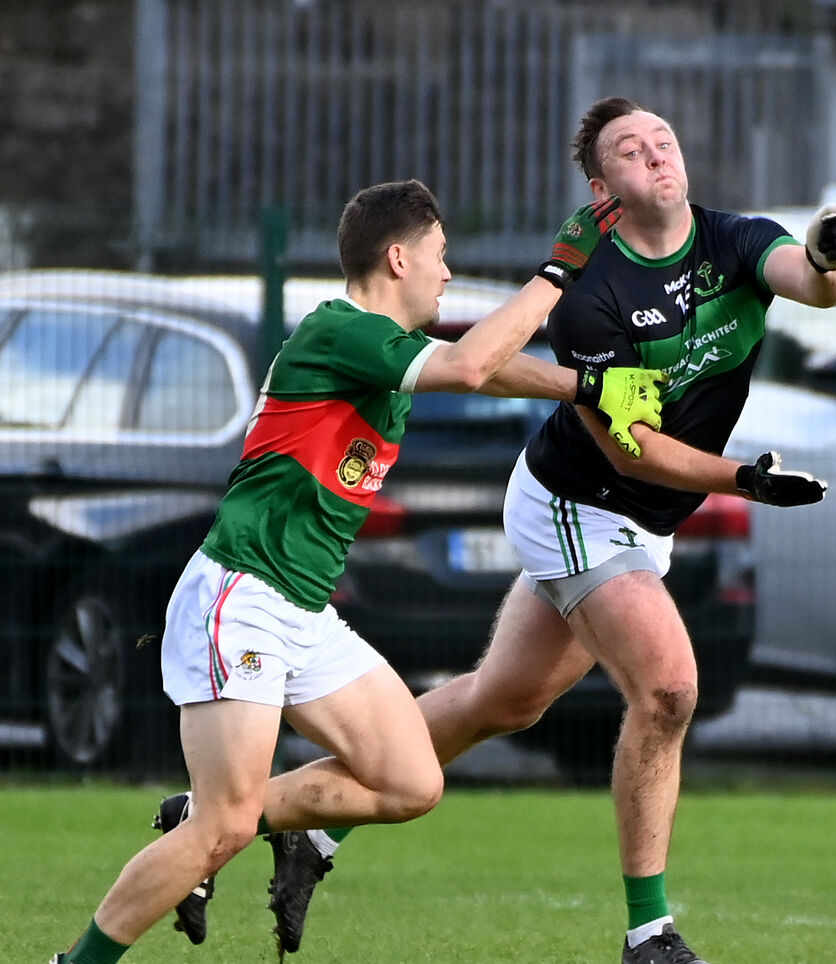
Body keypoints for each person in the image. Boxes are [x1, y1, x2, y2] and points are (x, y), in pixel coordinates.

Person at [161, 96, 836, 961]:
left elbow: (816, 286)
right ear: (602, 188)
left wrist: (829, 261)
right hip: (579, 502)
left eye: (663, 141)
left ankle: (252, 820)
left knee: (504, 701)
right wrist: (744, 480)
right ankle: (652, 932)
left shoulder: (736, 240)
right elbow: (633, 454)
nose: (656, 155)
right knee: (669, 689)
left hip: (647, 524)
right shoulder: (591, 292)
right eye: (631, 152)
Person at [47, 178, 664, 964]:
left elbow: (489, 366)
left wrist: (588, 386)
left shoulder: (386, 352)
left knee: (411, 783)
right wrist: (557, 271)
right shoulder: (338, 331)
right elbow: (475, 366)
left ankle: (231, 817)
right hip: (242, 594)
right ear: (399, 258)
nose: (448, 274)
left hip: (301, 611)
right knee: (225, 827)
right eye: (441, 258)